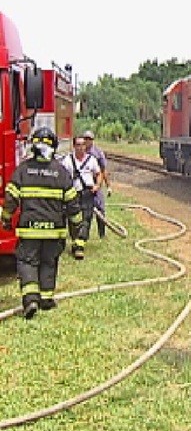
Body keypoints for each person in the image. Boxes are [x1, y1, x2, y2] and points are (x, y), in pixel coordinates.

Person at [1, 127, 83, 319]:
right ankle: (46, 299)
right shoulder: (61, 173)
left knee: (27, 262)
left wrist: (5, 219)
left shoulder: (22, 170)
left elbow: (11, 199)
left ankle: (31, 299)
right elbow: (73, 205)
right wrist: (76, 230)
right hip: (54, 232)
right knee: (49, 262)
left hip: (29, 231)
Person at [61, 136, 102, 259]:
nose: (80, 147)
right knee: (74, 219)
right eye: (78, 145)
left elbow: (98, 173)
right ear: (74, 146)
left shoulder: (92, 160)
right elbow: (62, 177)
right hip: (73, 194)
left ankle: (80, 246)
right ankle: (75, 241)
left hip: (87, 193)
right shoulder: (67, 161)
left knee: (86, 219)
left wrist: (97, 185)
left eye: (83, 144)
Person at [83, 130, 111, 238]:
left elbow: (103, 170)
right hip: (84, 187)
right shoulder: (80, 152)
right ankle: (84, 234)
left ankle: (102, 234)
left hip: (97, 185)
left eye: (89, 139)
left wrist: (108, 186)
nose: (87, 141)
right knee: (86, 213)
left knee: (100, 210)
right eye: (85, 139)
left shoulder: (98, 153)